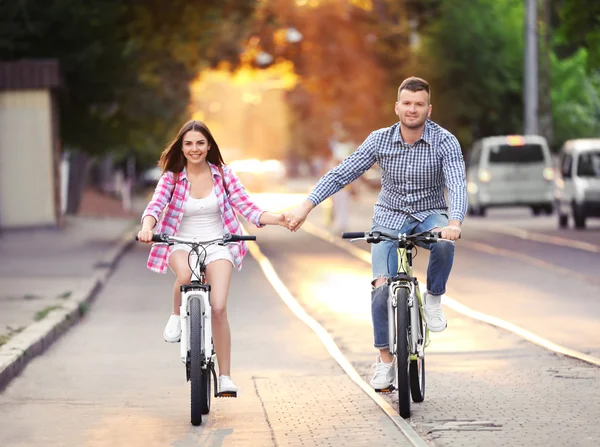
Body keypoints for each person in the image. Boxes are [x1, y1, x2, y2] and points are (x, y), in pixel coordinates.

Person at [285, 77, 467, 390]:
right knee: (381, 288)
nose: (412, 109)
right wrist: (306, 206)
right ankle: (384, 361)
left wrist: (455, 222)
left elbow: (457, 182)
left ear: (429, 109)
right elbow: (344, 172)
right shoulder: (380, 140)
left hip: (429, 214)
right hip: (389, 217)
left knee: (444, 246)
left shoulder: (445, 141)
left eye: (419, 104)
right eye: (407, 103)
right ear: (397, 107)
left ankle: (434, 299)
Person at [138, 119, 288, 395]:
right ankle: (175, 314)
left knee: (218, 307)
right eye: (189, 144)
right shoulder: (172, 177)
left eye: (200, 143)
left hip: (218, 243)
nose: (194, 149)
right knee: (185, 275)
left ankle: (226, 377)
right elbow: (156, 205)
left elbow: (248, 207)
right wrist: (148, 227)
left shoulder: (223, 174)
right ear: (181, 148)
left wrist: (278, 218)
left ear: (209, 146)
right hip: (180, 242)